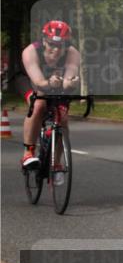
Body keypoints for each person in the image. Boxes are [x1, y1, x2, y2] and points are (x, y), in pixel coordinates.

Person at [17, 21, 81, 184]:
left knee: (63, 118)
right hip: (30, 80)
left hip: (56, 83)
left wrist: (70, 82)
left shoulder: (72, 53)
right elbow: (38, 81)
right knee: (39, 105)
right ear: (44, 40)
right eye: (52, 44)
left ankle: (56, 163)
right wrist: (49, 83)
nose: (56, 49)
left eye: (61, 45)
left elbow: (68, 79)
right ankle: (28, 153)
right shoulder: (31, 51)